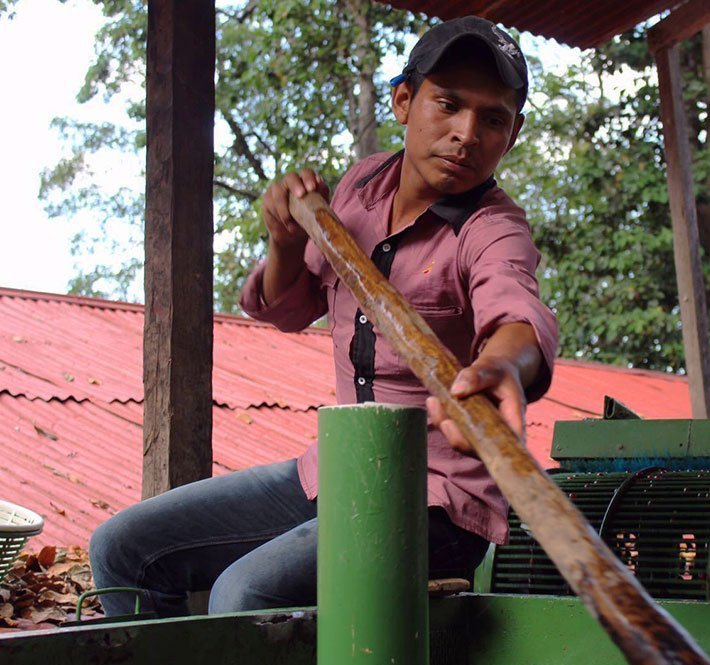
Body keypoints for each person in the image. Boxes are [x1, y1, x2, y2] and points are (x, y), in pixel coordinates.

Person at [89, 15, 559, 617]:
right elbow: (289, 308)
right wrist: (285, 241)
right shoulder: (362, 185)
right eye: (448, 104)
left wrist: (501, 368)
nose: (466, 134)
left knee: (244, 593)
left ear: (512, 134)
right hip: (338, 474)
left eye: (492, 119)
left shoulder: (493, 229)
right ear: (404, 101)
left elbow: (517, 310)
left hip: (438, 504)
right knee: (123, 548)